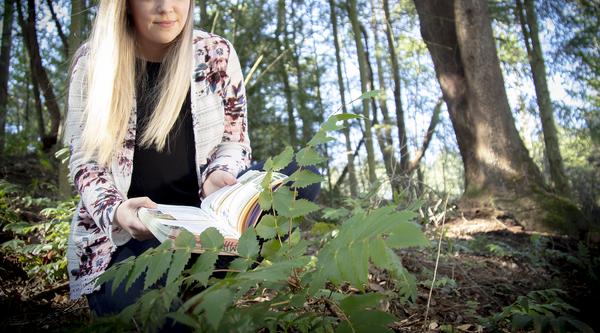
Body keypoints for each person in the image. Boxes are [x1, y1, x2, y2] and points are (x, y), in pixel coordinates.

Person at [64, 0, 319, 320]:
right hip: (132, 239)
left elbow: (234, 141)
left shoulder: (216, 53)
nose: (166, 7)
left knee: (299, 172)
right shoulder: (94, 62)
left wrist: (219, 175)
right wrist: (117, 212)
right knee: (162, 317)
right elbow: (86, 164)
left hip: (205, 223)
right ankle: (187, 291)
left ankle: (215, 269)